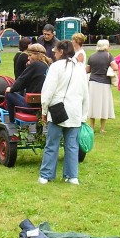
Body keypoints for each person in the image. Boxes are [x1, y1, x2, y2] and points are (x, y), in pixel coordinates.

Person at [39, 40, 89, 185]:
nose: (54, 54)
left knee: (52, 144)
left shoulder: (56, 66)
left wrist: (44, 109)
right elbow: (85, 92)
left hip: (57, 110)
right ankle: (72, 176)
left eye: (55, 51)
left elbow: (48, 90)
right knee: (72, 145)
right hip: (75, 111)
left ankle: (46, 175)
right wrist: (83, 114)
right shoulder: (80, 67)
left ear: (61, 52)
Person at [5, 43, 50, 119]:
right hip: (42, 105)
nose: (28, 58)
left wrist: (11, 89)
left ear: (37, 55)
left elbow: (21, 81)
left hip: (32, 107)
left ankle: (11, 120)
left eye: (30, 55)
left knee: (9, 94)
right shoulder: (46, 66)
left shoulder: (35, 65)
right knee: (23, 91)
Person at [86, 39, 117, 133]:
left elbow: (87, 70)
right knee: (104, 104)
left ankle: (92, 126)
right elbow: (115, 67)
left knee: (92, 104)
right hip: (104, 82)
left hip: (93, 82)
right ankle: (102, 128)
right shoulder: (109, 56)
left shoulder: (92, 56)